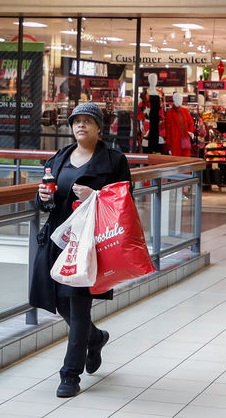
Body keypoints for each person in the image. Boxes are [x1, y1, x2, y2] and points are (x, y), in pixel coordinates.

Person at [31, 102, 132, 398]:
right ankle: (96, 337)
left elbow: (124, 203)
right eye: (77, 121)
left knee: (77, 305)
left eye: (88, 121)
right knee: (58, 300)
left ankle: (70, 375)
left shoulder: (114, 160)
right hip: (57, 240)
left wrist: (96, 195)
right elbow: (45, 201)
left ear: (100, 128)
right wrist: (42, 197)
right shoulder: (59, 158)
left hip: (88, 243)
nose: (81, 126)